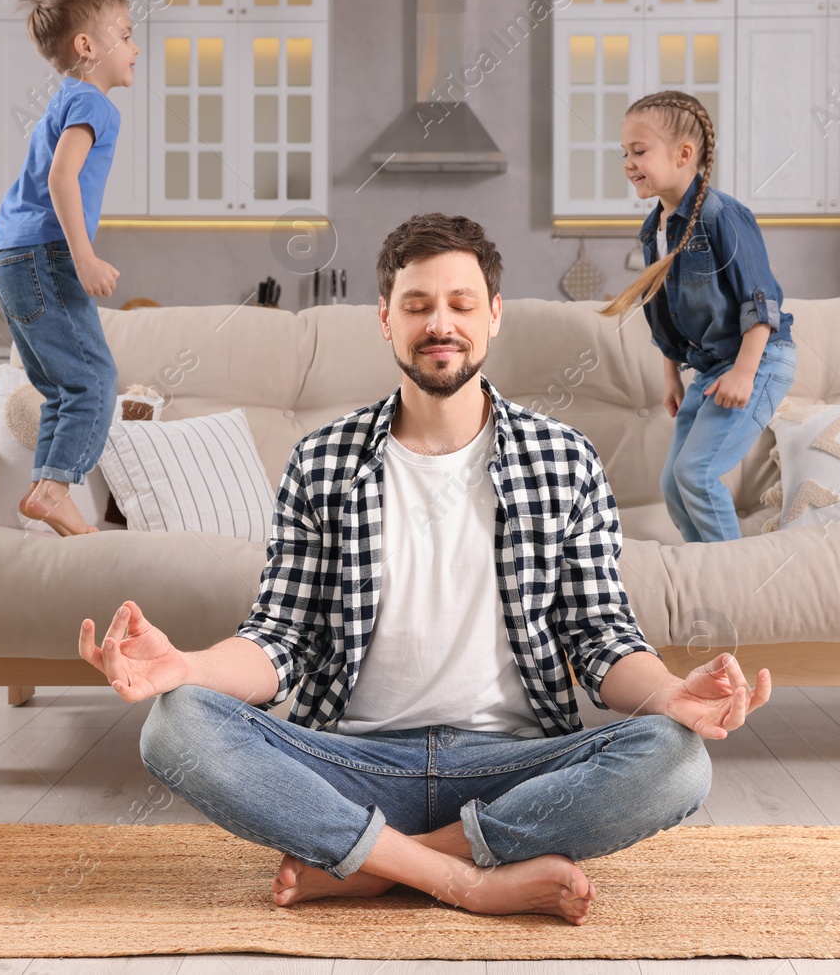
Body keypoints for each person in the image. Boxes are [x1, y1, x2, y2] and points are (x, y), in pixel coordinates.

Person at [77, 214, 774, 925]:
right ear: (385, 318)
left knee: (679, 758)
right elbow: (279, 640)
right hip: (353, 762)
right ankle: (464, 876)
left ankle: (377, 864)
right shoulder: (322, 461)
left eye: (461, 303)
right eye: (417, 305)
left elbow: (601, 638)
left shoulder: (565, 458)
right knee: (173, 725)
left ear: (494, 314)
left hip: (514, 765)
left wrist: (669, 694)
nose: (440, 322)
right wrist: (183, 668)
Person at [596, 90, 798, 543]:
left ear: (684, 154)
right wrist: (671, 378)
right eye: (625, 152)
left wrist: (745, 373)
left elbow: (760, 303)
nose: (628, 162)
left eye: (639, 151)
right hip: (709, 370)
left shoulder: (722, 216)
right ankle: (703, 569)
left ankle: (734, 582)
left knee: (697, 473)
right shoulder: (654, 229)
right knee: (674, 484)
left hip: (760, 360)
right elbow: (663, 314)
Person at [0, 0, 137, 536]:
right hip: (43, 255)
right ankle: (53, 491)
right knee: (94, 381)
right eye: (125, 35)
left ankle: (46, 491)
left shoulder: (68, 100)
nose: (135, 47)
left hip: (11, 255)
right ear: (86, 47)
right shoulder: (94, 103)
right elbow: (61, 176)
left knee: (62, 387)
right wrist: (85, 258)